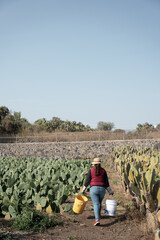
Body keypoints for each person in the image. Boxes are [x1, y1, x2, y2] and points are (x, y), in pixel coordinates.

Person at [81, 157, 114, 226]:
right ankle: (98, 215)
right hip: (102, 189)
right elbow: (106, 182)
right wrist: (110, 191)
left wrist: (83, 189)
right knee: (99, 203)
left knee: (96, 204)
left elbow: (87, 181)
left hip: (93, 189)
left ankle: (97, 220)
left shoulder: (91, 170)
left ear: (94, 164)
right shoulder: (103, 171)